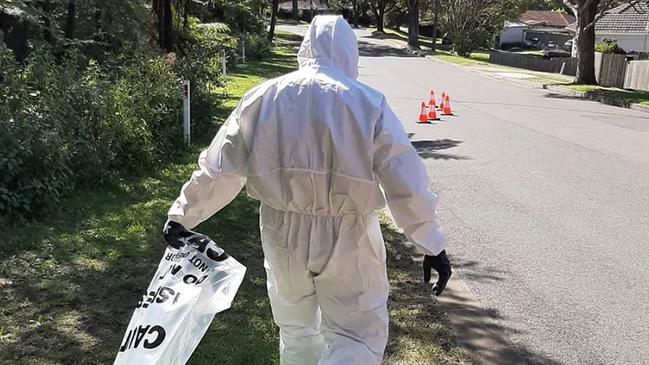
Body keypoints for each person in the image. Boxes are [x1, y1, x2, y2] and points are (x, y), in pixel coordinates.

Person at [163, 15, 452, 365]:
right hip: (350, 234)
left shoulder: (263, 97)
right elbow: (404, 180)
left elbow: (221, 166)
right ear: (349, 52)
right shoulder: (367, 103)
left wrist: (183, 213)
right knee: (356, 337)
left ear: (305, 49)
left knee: (296, 331)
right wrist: (431, 243)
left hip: (282, 231)